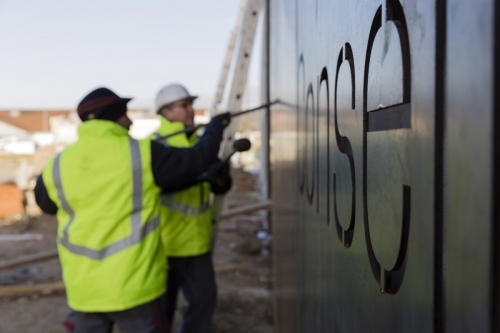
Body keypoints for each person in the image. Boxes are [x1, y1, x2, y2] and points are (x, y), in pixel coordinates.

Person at [34, 87, 230, 333]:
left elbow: (47, 206)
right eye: (125, 112)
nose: (130, 118)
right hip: (135, 288)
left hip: (84, 290)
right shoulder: (141, 153)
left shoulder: (57, 165)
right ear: (113, 114)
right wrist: (214, 129)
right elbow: (196, 160)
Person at [151, 84, 232, 333]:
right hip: (164, 245)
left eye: (191, 104)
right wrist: (200, 175)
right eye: (184, 106)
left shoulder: (199, 144)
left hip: (196, 244)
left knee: (203, 302)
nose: (191, 111)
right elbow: (168, 182)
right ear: (166, 111)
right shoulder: (156, 146)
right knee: (161, 313)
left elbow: (219, 187)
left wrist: (219, 179)